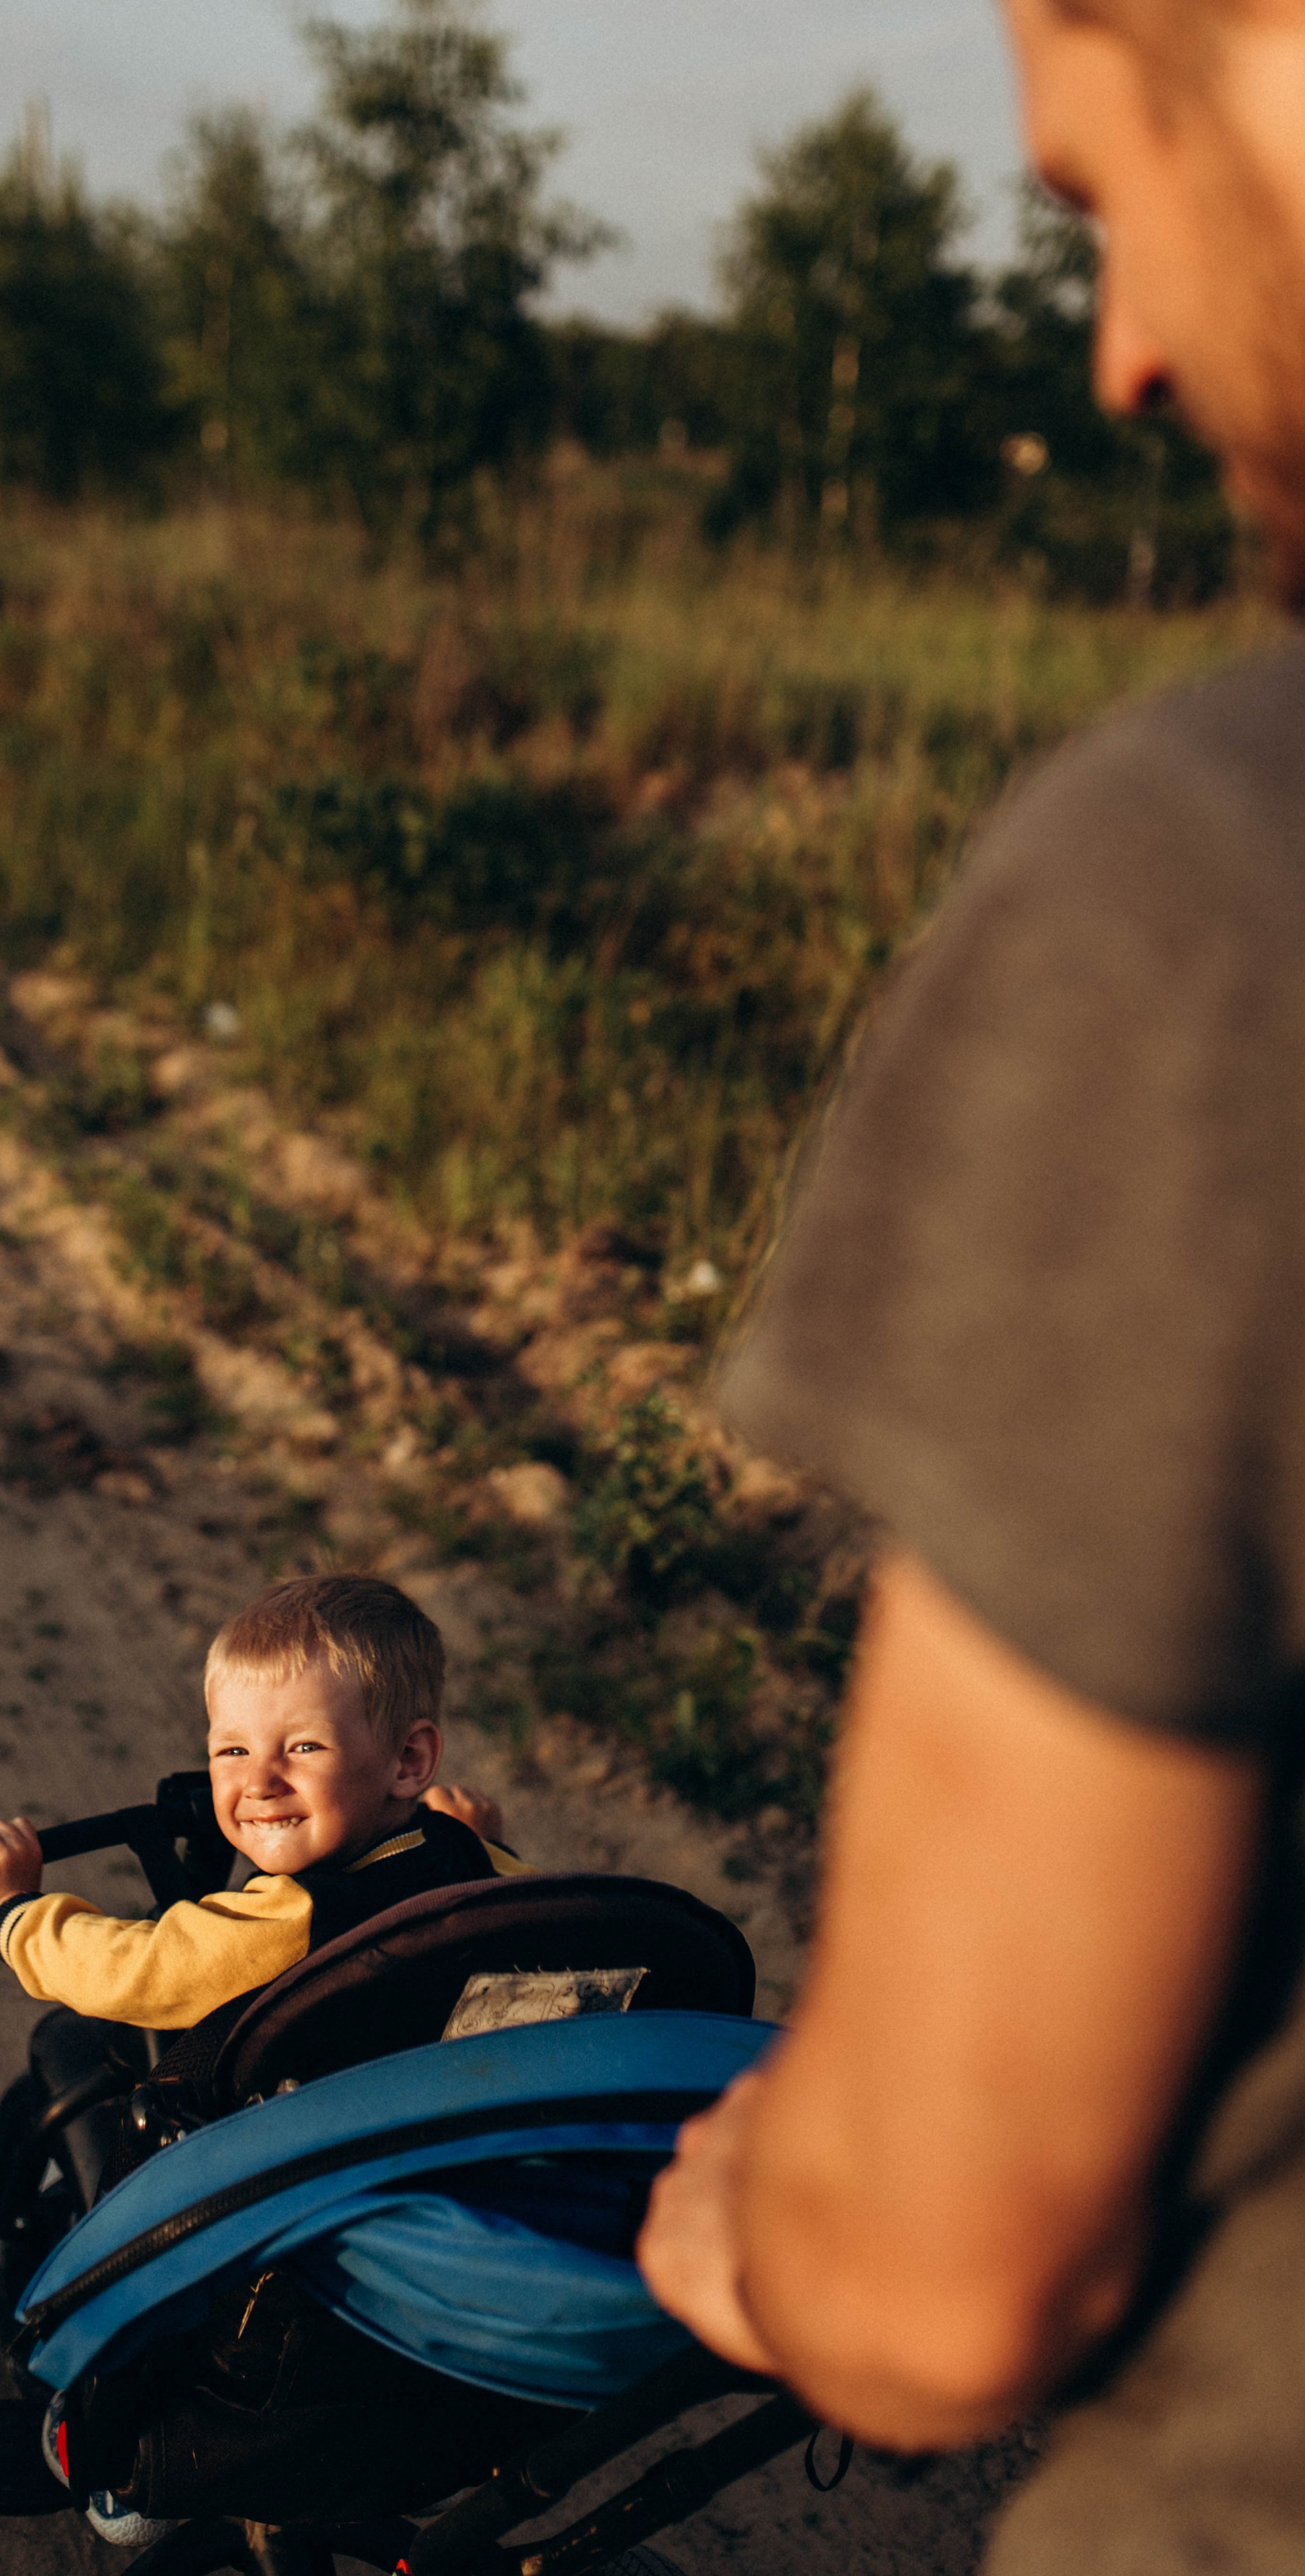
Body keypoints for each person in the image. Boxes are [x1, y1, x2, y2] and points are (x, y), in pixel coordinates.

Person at [637, 3, 1305, 2565]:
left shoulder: (1214, 887)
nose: (1122, 349)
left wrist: (753, 2215)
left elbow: (933, 2288)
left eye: (1100, 191)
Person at [0, 1571, 523, 2031]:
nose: (259, 1783)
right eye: (233, 1750)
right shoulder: (479, 1864)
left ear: (408, 1760)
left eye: (303, 1747)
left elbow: (135, 1970)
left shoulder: (299, 1916)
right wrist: (477, 1841)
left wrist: (17, 1912)